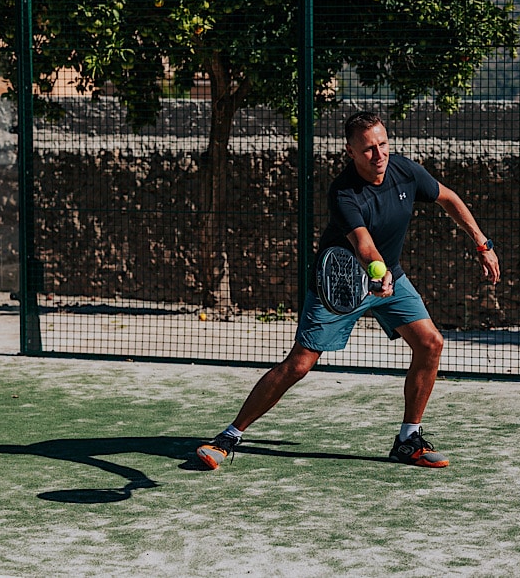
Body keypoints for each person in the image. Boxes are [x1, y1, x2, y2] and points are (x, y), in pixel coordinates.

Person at [196, 111, 500, 469]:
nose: (379, 154)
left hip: (390, 278)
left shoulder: (405, 171)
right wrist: (377, 270)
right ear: (350, 152)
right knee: (299, 365)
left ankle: (408, 440)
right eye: (369, 149)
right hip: (338, 284)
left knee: (430, 342)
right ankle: (229, 437)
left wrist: (481, 243)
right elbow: (364, 244)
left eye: (383, 144)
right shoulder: (343, 192)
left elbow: (448, 197)